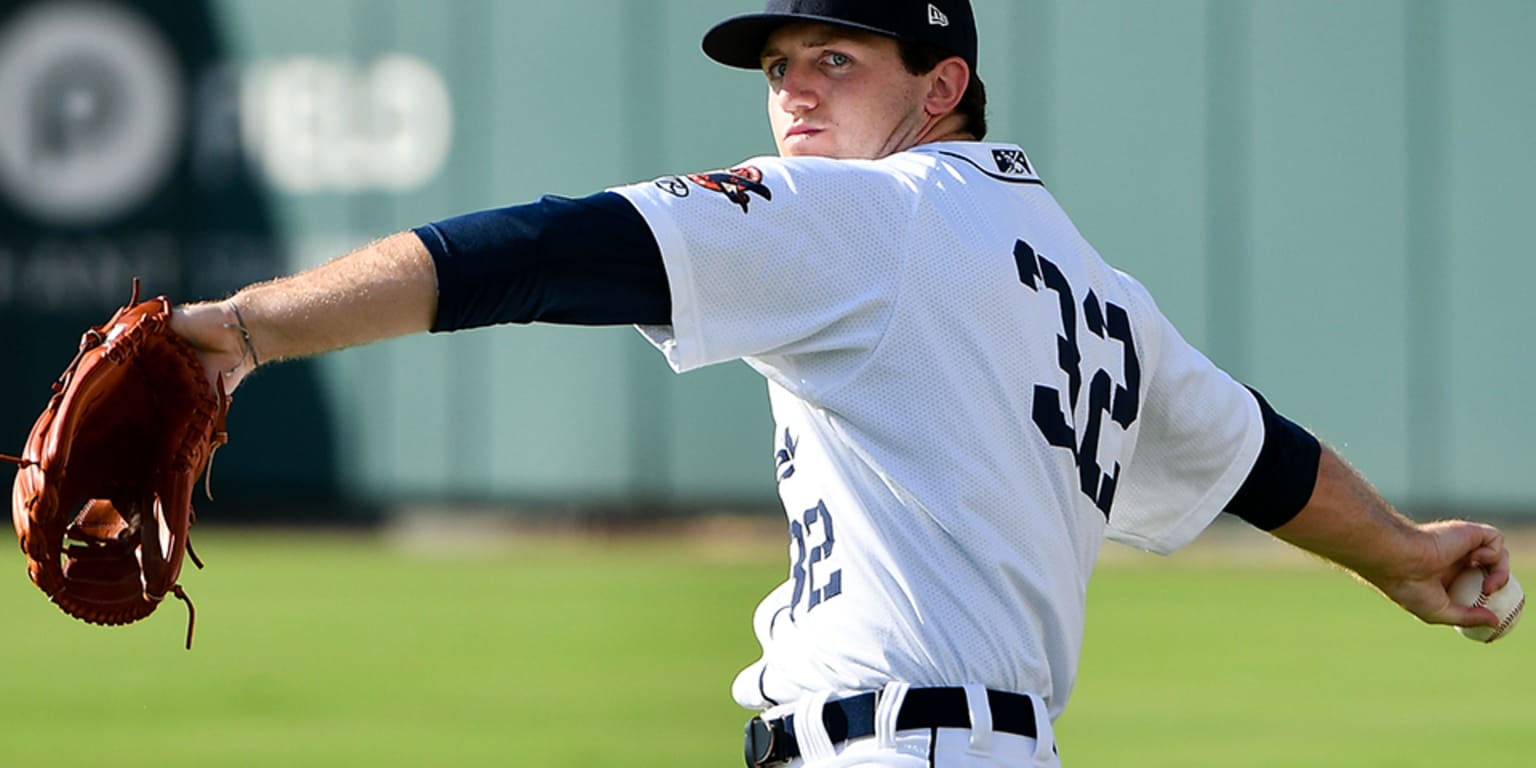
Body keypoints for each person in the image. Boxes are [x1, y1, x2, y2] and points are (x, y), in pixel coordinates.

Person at [171, 1, 1512, 766]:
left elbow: (552, 249)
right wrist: (1399, 553)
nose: (794, 94)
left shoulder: (869, 217)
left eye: (836, 59)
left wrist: (249, 327)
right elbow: (1260, 459)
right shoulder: (1096, 288)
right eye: (777, 67)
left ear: (942, 86)